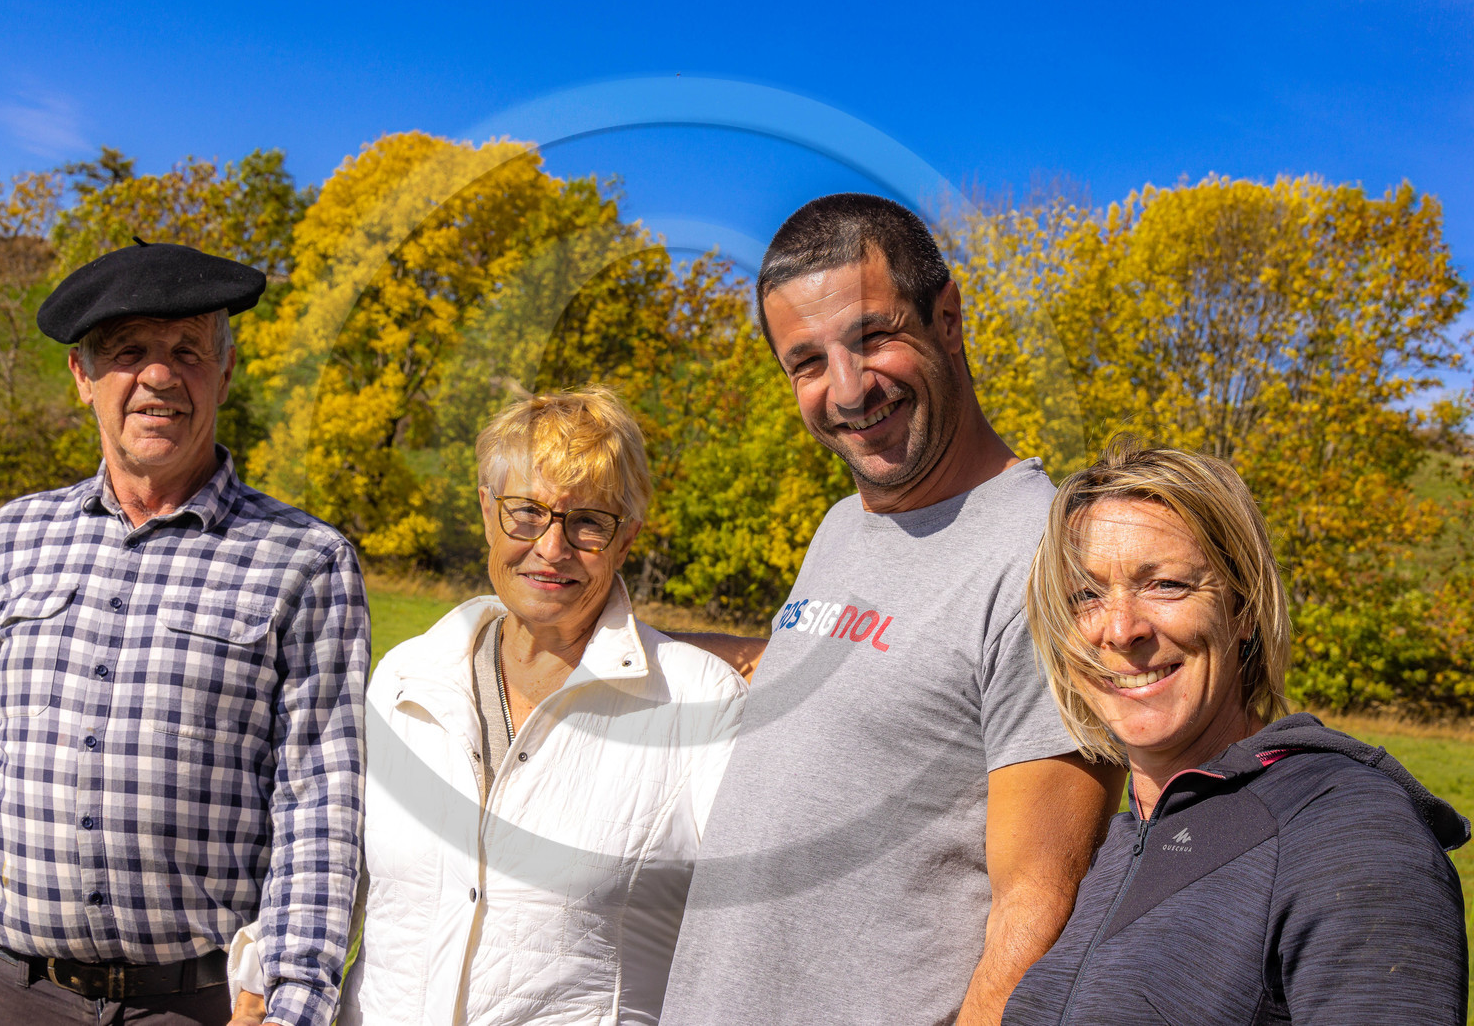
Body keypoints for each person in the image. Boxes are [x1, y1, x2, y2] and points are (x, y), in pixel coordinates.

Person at [660, 193, 1124, 1026]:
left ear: (947, 316)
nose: (846, 390)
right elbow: (849, 680)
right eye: (807, 361)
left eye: (873, 337)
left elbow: (1041, 901)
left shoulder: (1043, 557)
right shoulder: (846, 523)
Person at [0, 241, 370, 1026]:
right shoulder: (12, 537)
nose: (159, 375)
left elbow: (320, 801)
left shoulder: (306, 561)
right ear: (83, 377)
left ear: (225, 370)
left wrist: (293, 1001)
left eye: (187, 350)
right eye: (129, 352)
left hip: (196, 1002)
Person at [228, 386, 747, 1024]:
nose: (552, 548)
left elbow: (752, 935)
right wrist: (260, 983)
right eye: (526, 512)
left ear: (627, 537)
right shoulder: (408, 679)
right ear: (486, 510)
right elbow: (332, 871)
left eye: (588, 522)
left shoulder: (698, 702)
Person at [1003, 443, 1469, 1024]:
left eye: (1166, 584)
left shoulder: (1348, 832)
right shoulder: (1121, 846)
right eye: (1085, 595)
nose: (1120, 630)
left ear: (1243, 605)